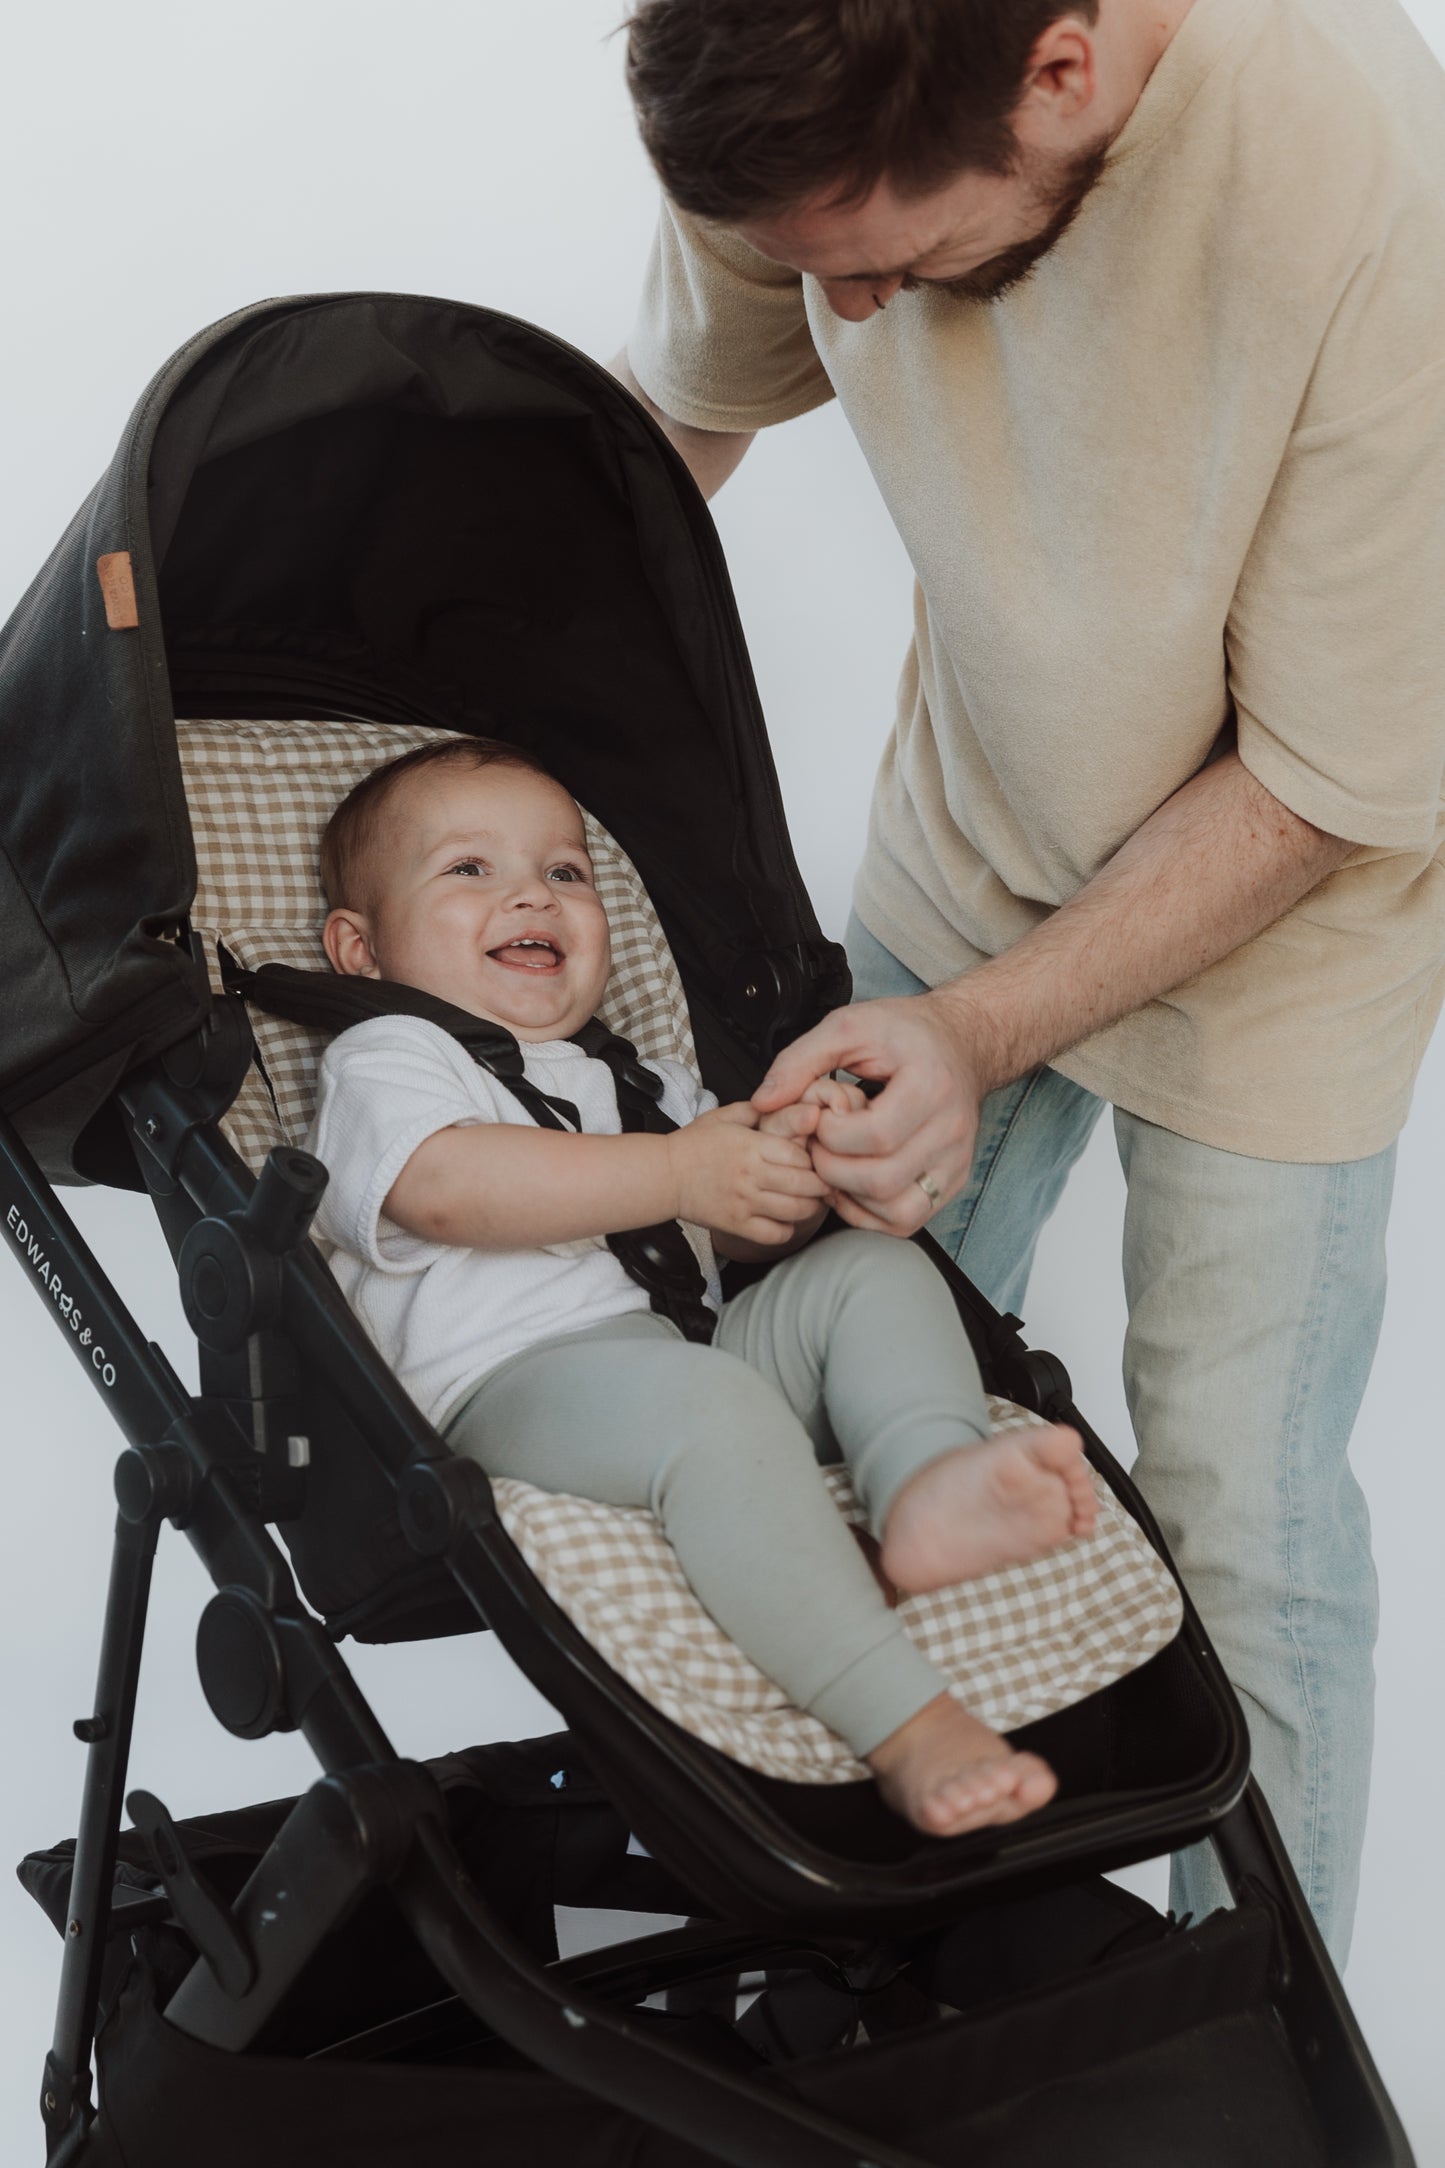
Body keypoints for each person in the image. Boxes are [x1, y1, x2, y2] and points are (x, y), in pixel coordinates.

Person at [613, 0, 1445, 1961]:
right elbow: (670, 437)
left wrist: (979, 1033)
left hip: (1287, 918)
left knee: (1240, 1534)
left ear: (1061, 69)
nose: (862, 316)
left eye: (886, 259)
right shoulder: (790, 73)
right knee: (805, 1401)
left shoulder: (1368, 186)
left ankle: (1271, 2059)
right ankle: (876, 1956)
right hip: (967, 839)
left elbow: (1323, 782)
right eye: (822, 277)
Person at [305, 736, 1095, 1836]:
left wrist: (795, 1168)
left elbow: (710, 1235)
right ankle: (902, 1720)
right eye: (469, 870)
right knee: (711, 1408)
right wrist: (679, 1168)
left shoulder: (636, 1074)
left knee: (870, 1269)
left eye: (564, 872)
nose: (531, 891)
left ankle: (927, 1479)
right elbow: (438, 1187)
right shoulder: (389, 1053)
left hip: (677, 1361)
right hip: (506, 1387)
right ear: (360, 944)